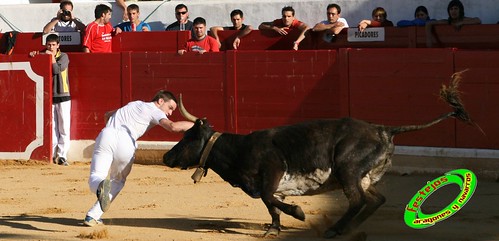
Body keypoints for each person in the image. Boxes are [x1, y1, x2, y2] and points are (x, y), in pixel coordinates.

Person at [83, 90, 194, 227]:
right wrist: (196, 125)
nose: (170, 113)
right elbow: (172, 126)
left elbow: (107, 115)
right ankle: (93, 215)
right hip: (126, 141)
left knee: (96, 175)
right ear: (160, 101)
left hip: (107, 134)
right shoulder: (155, 110)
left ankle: (99, 190)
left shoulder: (133, 104)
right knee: (117, 181)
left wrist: (110, 134)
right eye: (170, 108)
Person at [29, 34, 71, 166]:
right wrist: (33, 55)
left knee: (63, 126)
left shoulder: (63, 56)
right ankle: (52, 154)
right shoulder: (43, 55)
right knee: (52, 126)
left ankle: (62, 155)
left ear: (58, 45)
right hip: (49, 95)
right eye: (49, 45)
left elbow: (56, 69)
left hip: (63, 94)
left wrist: (50, 56)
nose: (51, 47)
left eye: (53, 45)